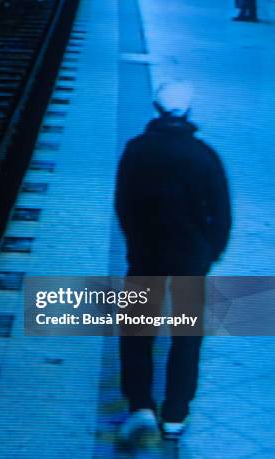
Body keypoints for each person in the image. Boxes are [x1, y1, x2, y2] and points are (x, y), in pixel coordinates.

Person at [114, 81, 232, 442]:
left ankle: (141, 406)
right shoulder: (205, 156)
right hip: (190, 261)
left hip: (146, 256)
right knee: (187, 336)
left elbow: (123, 204)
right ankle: (175, 415)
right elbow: (223, 215)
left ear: (156, 109)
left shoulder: (136, 150)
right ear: (189, 112)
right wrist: (209, 255)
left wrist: (135, 241)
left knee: (137, 332)